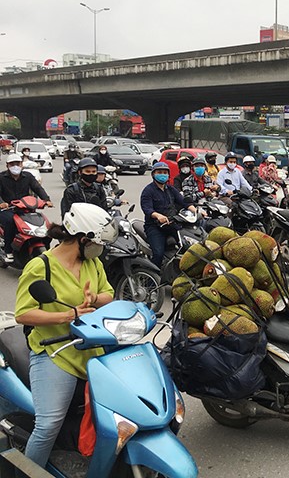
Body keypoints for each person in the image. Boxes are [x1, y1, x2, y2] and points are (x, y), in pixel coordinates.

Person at [15, 203, 117, 469]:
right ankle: (28, 472)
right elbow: (24, 314)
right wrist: (68, 315)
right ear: (83, 239)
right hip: (55, 352)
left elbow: (109, 293)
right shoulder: (41, 266)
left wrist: (94, 298)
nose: (101, 249)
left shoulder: (92, 263)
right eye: (98, 243)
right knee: (48, 424)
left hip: (91, 347)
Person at [140, 162, 196, 267]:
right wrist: (157, 215)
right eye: (159, 172)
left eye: (165, 172)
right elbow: (147, 208)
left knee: (187, 246)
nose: (163, 175)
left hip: (172, 224)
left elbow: (183, 201)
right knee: (158, 253)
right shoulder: (148, 191)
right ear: (153, 174)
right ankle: (153, 279)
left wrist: (194, 210)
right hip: (155, 227)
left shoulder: (170, 189)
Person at [0, 154, 53, 263]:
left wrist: (46, 200)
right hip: (7, 209)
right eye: (12, 164)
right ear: (7, 165)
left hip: (24, 208)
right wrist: (2, 203)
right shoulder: (1, 177)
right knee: (10, 221)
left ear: (22, 164)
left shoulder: (28, 176)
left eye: (17, 163)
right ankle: (8, 251)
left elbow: (37, 188)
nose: (15, 166)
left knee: (39, 219)